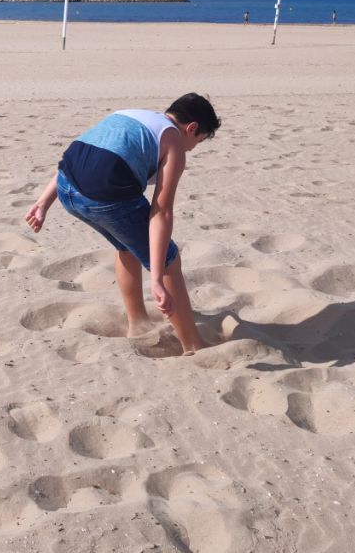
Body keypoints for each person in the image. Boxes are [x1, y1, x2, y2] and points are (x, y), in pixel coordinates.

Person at [25, 93, 221, 356]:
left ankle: (137, 323)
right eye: (198, 141)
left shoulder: (129, 115)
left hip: (65, 190)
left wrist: (43, 202)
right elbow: (161, 212)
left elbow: (78, 156)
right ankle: (193, 346)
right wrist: (157, 277)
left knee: (127, 245)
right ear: (192, 128)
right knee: (168, 259)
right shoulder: (173, 140)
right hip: (103, 197)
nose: (192, 148)